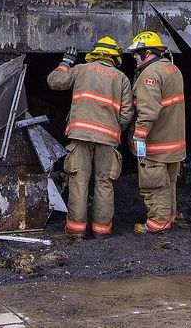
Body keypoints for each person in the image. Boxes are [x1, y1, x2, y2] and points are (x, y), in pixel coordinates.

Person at [47, 37, 132, 238]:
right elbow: (127, 114)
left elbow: (54, 82)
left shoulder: (81, 70)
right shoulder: (122, 79)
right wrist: (113, 129)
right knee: (104, 182)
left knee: (78, 182)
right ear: (114, 58)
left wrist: (65, 62)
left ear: (94, 55)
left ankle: (76, 232)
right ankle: (101, 232)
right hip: (108, 139)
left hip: (80, 136)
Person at [126, 30, 186, 233]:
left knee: (154, 184)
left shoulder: (149, 75)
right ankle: (168, 217)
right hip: (174, 144)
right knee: (169, 182)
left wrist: (138, 136)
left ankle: (157, 223)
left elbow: (148, 111)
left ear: (148, 53)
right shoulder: (172, 69)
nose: (134, 57)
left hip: (156, 145)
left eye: (137, 53)